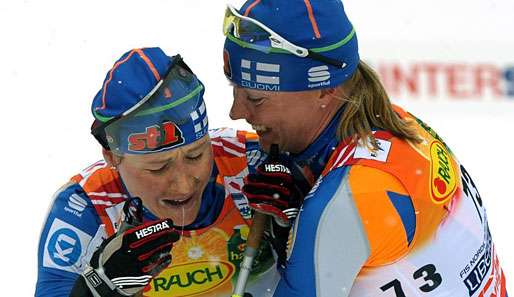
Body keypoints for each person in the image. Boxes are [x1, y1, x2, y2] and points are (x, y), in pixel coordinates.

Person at [222, 1, 509, 296]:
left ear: (324, 90)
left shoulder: (349, 197)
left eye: (256, 99)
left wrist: (302, 232)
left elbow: (346, 215)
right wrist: (294, 225)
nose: (235, 111)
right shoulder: (392, 121)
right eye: (236, 92)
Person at [35, 47, 283, 297]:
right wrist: (99, 288)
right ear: (112, 157)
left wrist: (290, 231)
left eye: (195, 155)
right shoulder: (86, 206)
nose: (184, 185)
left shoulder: (251, 163)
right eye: (158, 168)